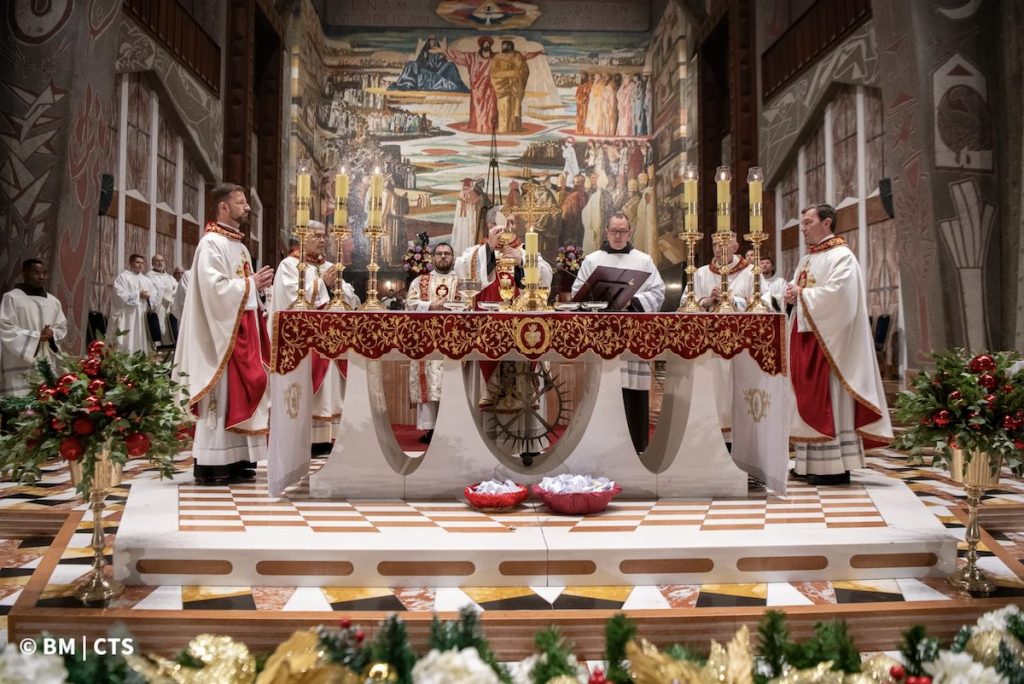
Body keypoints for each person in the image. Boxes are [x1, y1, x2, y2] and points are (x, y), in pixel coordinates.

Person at [174, 183, 275, 486]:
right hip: (220, 334)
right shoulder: (211, 244)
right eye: (241, 202)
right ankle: (213, 462)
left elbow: (242, 287)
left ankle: (239, 458)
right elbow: (214, 290)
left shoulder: (239, 246)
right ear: (223, 207)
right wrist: (251, 284)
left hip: (241, 328)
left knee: (245, 389)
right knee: (222, 395)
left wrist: (258, 291)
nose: (247, 207)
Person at [784, 204, 892, 485]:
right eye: (802, 223)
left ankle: (833, 467)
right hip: (806, 337)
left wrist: (803, 294)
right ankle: (807, 464)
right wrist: (791, 295)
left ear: (827, 223)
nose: (803, 228)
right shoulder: (807, 259)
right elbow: (799, 289)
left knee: (830, 399)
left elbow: (840, 296)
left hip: (831, 344)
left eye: (808, 222)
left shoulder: (842, 256)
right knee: (805, 399)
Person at [572, 213, 665, 453]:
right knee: (602, 391)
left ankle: (636, 447)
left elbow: (658, 293)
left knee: (633, 392)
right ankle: (598, 448)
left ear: (630, 232)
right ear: (606, 231)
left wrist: (632, 301)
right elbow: (577, 293)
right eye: (614, 230)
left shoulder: (643, 261)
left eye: (622, 231)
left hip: (633, 337)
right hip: (601, 337)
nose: (618, 235)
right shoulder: (593, 260)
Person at [270, 220, 357, 450]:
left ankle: (330, 436)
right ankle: (308, 437)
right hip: (305, 343)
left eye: (324, 236)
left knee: (332, 390)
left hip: (332, 339)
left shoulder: (329, 266)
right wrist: (322, 284)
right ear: (301, 236)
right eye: (316, 235)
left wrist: (337, 286)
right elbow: (290, 300)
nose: (322, 240)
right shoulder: (289, 266)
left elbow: (351, 298)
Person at [406, 242, 459, 443]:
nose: (443, 257)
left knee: (452, 383)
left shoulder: (461, 282)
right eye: (439, 253)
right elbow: (410, 304)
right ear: (433, 258)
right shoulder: (420, 281)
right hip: (427, 339)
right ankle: (430, 429)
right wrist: (430, 305)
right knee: (429, 382)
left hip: (454, 340)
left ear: (453, 258)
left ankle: (453, 426)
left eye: (447, 254)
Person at [0, 259, 67, 395]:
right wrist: (36, 337)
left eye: (45, 273)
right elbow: (5, 328)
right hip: (19, 364)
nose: (41, 277)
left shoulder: (54, 302)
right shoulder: (12, 298)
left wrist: (51, 334)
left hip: (45, 362)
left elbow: (61, 328)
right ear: (24, 273)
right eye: (36, 273)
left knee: (44, 400)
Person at [437, 37, 497, 133]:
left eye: (488, 44)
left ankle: (488, 125)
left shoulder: (494, 57)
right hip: (477, 87)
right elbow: (460, 55)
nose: (486, 45)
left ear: (490, 46)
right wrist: (442, 51)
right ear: (481, 45)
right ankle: (479, 125)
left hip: (489, 86)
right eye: (484, 44)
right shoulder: (473, 57)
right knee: (477, 108)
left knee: (489, 106)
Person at [489, 39, 542, 133]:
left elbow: (524, 70)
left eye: (505, 45)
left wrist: (518, 74)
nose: (503, 47)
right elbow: (494, 74)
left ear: (511, 46)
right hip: (502, 88)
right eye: (502, 45)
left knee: (515, 107)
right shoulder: (497, 58)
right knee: (505, 106)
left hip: (515, 87)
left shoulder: (517, 56)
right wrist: (512, 73)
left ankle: (515, 128)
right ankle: (504, 129)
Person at [110, 254, 157, 354]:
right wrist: (138, 295)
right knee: (128, 338)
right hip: (128, 316)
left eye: (142, 263)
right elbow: (119, 295)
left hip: (142, 316)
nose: (140, 265)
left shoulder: (147, 280)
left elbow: (154, 298)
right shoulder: (123, 277)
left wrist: (149, 297)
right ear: (131, 263)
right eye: (137, 262)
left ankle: (140, 358)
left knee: (140, 338)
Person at [147, 254, 178, 345]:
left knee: (169, 330)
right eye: (157, 261)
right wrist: (157, 303)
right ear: (152, 263)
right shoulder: (149, 276)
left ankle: (169, 350)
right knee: (160, 328)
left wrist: (169, 296)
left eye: (162, 260)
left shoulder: (169, 277)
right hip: (158, 307)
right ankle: (159, 350)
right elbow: (150, 292)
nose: (160, 263)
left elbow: (177, 288)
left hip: (169, 307)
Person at [450, 178, 481, 255]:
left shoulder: (462, 193)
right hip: (467, 219)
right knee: (467, 233)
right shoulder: (472, 193)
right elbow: (475, 203)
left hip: (462, 219)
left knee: (462, 233)